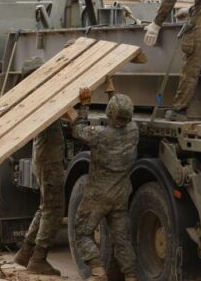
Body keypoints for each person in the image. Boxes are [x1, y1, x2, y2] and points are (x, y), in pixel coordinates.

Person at [72, 88, 138, 281]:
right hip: (120, 195)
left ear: (109, 113)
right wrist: (113, 93)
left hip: (98, 195)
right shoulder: (134, 131)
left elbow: (78, 130)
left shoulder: (100, 135)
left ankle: (98, 271)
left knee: (81, 231)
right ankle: (131, 276)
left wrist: (84, 106)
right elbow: (119, 115)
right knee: (122, 239)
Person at [13, 57, 65, 276]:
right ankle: (39, 258)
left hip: (43, 155)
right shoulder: (42, 97)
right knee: (54, 209)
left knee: (45, 207)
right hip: (49, 158)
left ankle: (26, 252)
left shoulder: (34, 95)